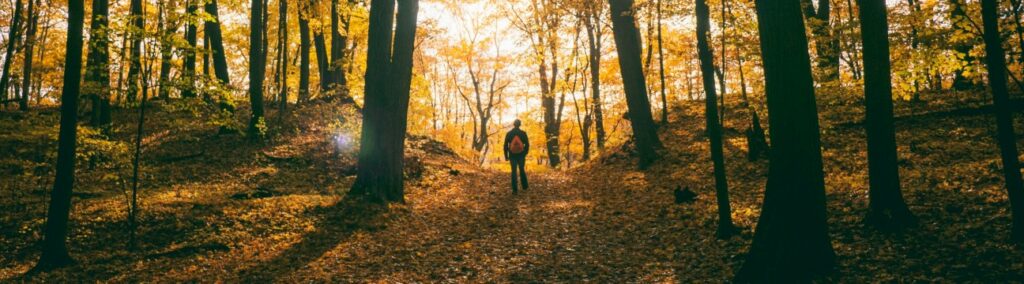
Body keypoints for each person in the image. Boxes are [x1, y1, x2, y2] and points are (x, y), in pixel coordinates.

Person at [504, 119, 530, 194]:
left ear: (513, 124)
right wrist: (525, 153)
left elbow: (505, 145)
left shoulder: (509, 133)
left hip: (512, 155)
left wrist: (506, 156)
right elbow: (527, 144)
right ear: (520, 125)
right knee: (522, 169)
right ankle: (524, 186)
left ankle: (515, 190)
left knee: (514, 171)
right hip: (521, 154)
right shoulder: (523, 133)